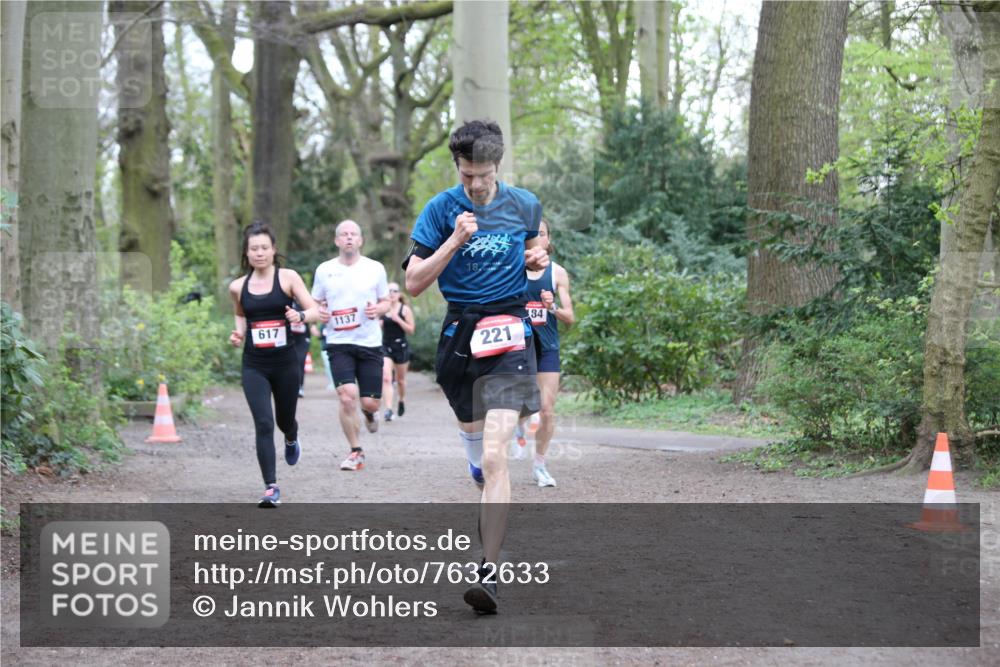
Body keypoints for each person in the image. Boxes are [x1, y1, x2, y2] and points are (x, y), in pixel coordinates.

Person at [404, 119, 548, 614]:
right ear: (458, 169)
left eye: (483, 175)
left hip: (510, 332)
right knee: (477, 454)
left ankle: (487, 571)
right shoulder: (441, 210)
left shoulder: (524, 204)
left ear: (497, 165)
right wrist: (453, 242)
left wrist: (536, 258)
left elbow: (537, 246)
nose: (476, 186)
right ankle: (474, 458)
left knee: (495, 458)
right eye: (467, 176)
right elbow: (414, 283)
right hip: (460, 336)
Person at [228, 221, 324, 507]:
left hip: (285, 363)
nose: (259, 253)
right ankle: (270, 486)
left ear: (273, 250)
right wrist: (239, 333)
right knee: (263, 422)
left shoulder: (288, 278)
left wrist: (301, 318)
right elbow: (241, 314)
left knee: (284, 420)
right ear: (247, 253)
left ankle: (292, 437)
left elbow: (315, 311)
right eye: (254, 248)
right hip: (254, 365)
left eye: (264, 248)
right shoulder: (237, 286)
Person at [312, 220, 390, 472]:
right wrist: (319, 313)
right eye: (343, 234)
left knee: (370, 403)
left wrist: (379, 309)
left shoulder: (375, 268)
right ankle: (356, 451)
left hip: (369, 343)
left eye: (353, 234)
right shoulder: (324, 270)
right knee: (347, 398)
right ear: (336, 241)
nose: (348, 238)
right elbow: (315, 303)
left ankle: (369, 414)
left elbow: (386, 301)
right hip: (338, 342)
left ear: (360, 240)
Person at [512, 219, 574, 487]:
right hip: (518, 346)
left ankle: (539, 465)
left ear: (548, 241)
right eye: (531, 234)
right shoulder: (513, 271)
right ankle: (518, 424)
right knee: (523, 405)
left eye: (542, 234)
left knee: (547, 410)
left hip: (547, 346)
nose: (537, 238)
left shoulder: (558, 273)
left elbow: (570, 317)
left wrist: (552, 308)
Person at [380, 282, 415, 421]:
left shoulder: (405, 310)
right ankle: (388, 409)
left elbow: (411, 330)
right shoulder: (382, 309)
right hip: (385, 346)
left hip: (401, 347)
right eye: (389, 291)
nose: (392, 293)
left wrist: (398, 320)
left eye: (394, 290)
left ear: (399, 294)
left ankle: (401, 399)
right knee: (386, 377)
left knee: (400, 380)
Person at [290, 298, 311, 398]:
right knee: (289, 363)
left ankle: (300, 387)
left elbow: (313, 312)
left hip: (302, 339)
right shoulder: (285, 303)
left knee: (300, 361)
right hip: (289, 338)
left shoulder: (303, 303)